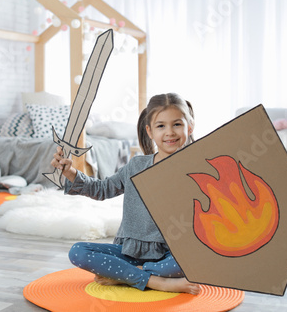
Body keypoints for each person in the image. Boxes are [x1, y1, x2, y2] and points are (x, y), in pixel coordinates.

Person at [50, 93, 200, 294]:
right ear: (149, 131)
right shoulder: (137, 166)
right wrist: (70, 172)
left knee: (195, 260)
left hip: (169, 254)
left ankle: (127, 275)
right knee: (78, 252)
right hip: (129, 251)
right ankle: (156, 282)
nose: (170, 132)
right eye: (161, 126)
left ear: (190, 127)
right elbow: (102, 189)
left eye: (177, 125)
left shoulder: (196, 170)